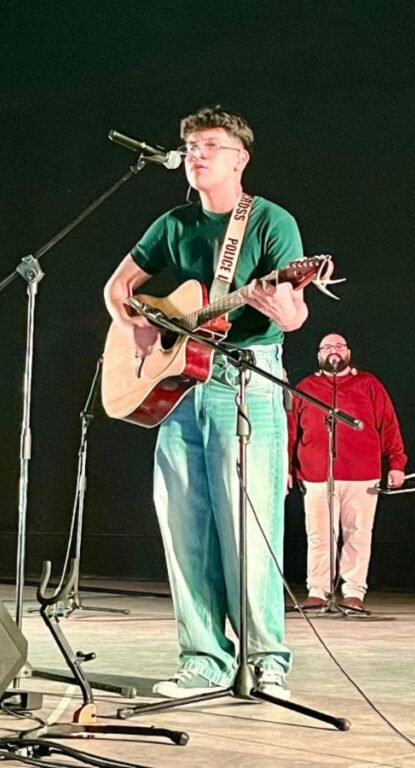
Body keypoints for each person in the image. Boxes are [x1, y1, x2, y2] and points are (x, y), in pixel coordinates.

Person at [103, 105, 309, 700]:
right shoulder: (173, 224)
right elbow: (117, 288)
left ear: (240, 158)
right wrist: (138, 326)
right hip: (179, 388)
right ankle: (203, 660)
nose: (196, 155)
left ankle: (265, 660)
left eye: (210, 145)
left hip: (245, 381)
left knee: (250, 527)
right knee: (184, 527)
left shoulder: (270, 222)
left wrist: (283, 306)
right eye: (191, 146)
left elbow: (295, 314)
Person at [287, 333, 407, 612]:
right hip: (316, 475)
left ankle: (353, 592)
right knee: (319, 535)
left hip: (362, 475)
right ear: (319, 354)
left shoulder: (369, 384)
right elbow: (291, 431)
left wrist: (397, 464)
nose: (334, 350)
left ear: (348, 353)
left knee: (358, 533)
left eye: (339, 346)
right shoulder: (305, 387)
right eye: (327, 346)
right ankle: (318, 591)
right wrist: (288, 468)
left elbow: (389, 425)